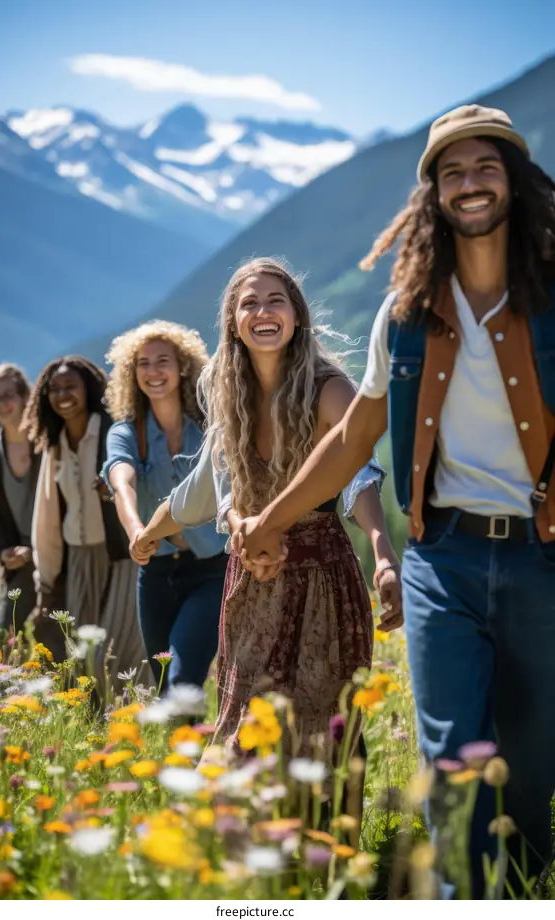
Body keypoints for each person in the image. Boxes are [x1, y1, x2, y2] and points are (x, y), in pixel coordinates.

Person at [237, 107, 555, 896]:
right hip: (441, 558)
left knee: (533, 762)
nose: (469, 183)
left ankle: (522, 890)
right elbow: (350, 440)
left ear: (513, 180)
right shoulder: (406, 315)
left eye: (485, 167)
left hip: (544, 555)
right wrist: (269, 521)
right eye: (451, 172)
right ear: (432, 196)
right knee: (451, 762)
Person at [135, 258, 402, 765]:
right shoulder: (227, 390)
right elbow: (213, 482)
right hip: (252, 581)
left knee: (322, 729)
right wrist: (151, 532)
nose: (263, 311)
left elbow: (358, 473)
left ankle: (325, 840)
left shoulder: (330, 388)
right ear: (232, 322)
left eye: (275, 300)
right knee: (249, 724)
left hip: (321, 579)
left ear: (297, 315)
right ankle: (253, 836)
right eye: (249, 303)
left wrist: (382, 551)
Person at [102, 321, 228, 693]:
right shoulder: (127, 433)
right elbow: (120, 482)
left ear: (183, 367)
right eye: (143, 363)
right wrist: (136, 531)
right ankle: (181, 751)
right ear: (132, 372)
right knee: (162, 684)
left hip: (212, 571)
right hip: (155, 575)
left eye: (163, 361)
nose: (153, 372)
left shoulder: (210, 426)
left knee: (182, 676)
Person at [22, 355, 148, 689]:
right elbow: (46, 518)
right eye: (55, 389)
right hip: (78, 560)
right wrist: (45, 583)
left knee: (118, 648)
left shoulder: (114, 432)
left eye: (71, 386)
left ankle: (133, 718)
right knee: (83, 651)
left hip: (122, 557)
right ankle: (98, 724)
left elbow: (142, 485)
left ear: (88, 388)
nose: (63, 394)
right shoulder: (56, 445)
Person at [0, 364, 41, 646]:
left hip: (58, 556)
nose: (2, 404)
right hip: (19, 561)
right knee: (5, 631)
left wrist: (38, 549)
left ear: (25, 395)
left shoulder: (46, 442)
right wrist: (4, 550)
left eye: (8, 395)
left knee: (57, 633)